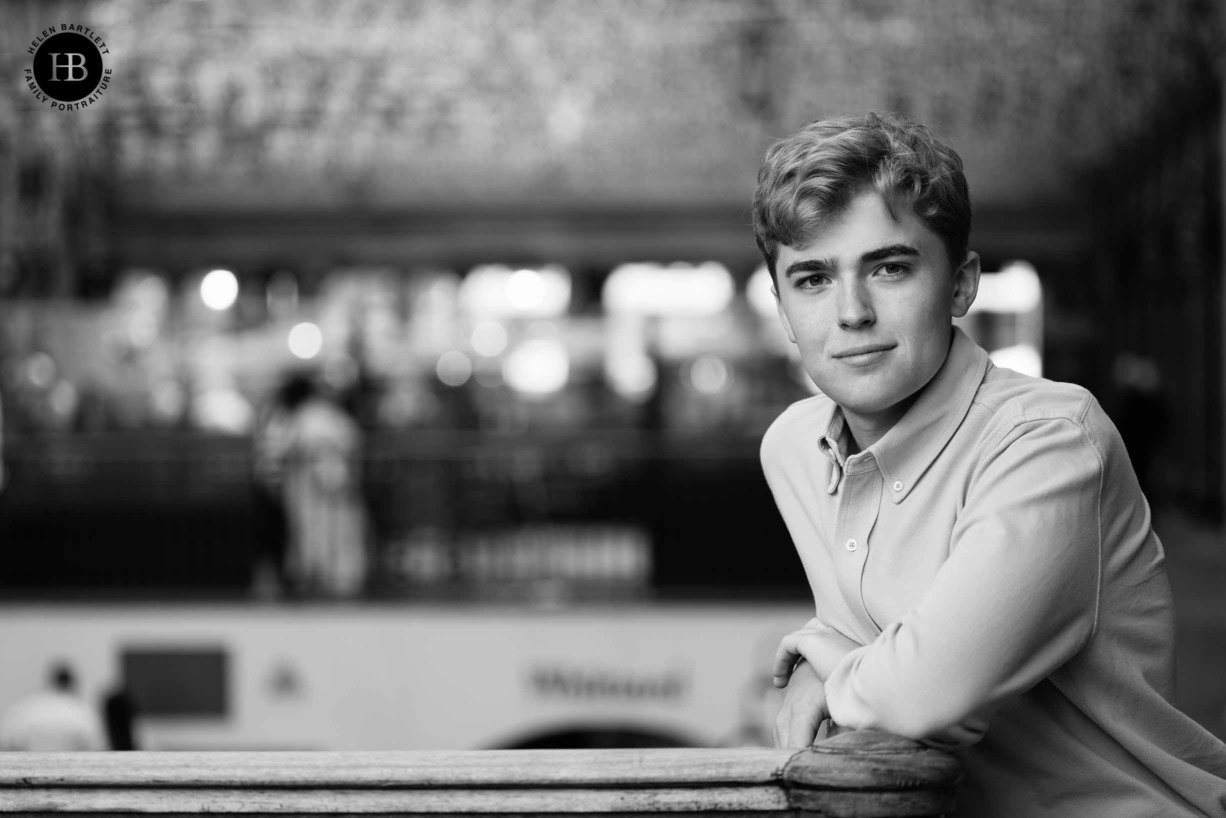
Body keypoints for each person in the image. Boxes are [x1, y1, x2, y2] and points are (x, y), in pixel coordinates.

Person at [752, 112, 1226, 816]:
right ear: (784, 310)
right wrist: (839, 653)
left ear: (961, 285)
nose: (851, 312)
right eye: (814, 278)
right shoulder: (792, 448)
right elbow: (875, 650)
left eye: (889, 267)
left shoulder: (1051, 440)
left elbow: (926, 696)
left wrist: (824, 665)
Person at [0, 662, 107, 751]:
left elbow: (7, 743)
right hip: (71, 771)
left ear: (50, 681)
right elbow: (97, 746)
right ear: (72, 684)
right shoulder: (81, 711)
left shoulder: (25, 708)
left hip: (28, 770)